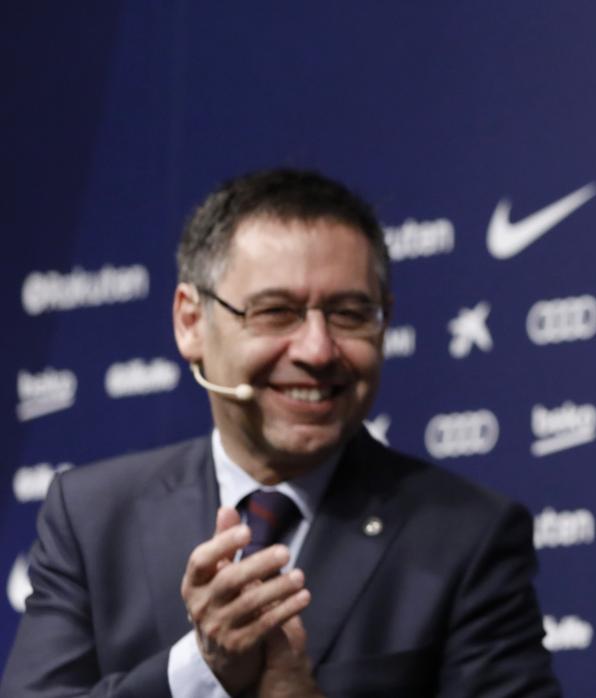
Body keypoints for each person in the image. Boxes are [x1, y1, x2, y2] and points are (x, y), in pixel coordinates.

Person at [1, 169, 559, 697]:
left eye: (348, 314)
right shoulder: (93, 515)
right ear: (192, 322)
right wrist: (202, 669)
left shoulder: (469, 537)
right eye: (275, 312)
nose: (317, 350)